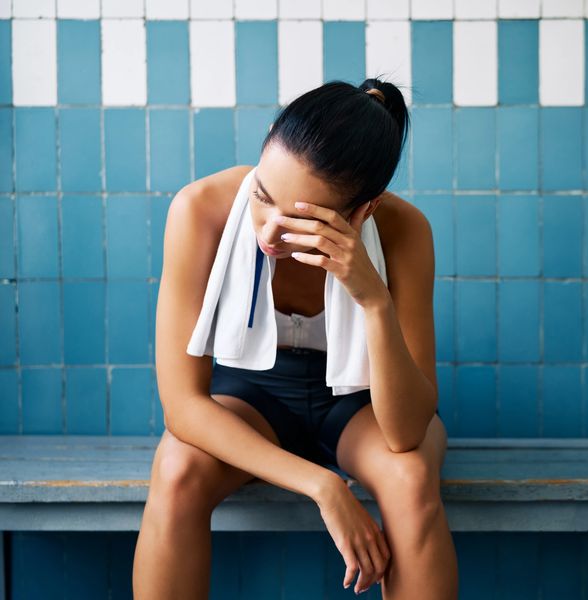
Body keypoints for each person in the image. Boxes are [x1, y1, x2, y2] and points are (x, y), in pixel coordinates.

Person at [132, 77, 459, 599]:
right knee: (175, 469)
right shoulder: (200, 211)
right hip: (253, 398)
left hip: (360, 406)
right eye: (264, 196)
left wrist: (373, 299)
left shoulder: (405, 231)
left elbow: (405, 431)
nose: (268, 233)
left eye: (304, 221)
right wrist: (321, 484)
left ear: (362, 210)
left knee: (411, 479)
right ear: (264, 145)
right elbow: (182, 406)